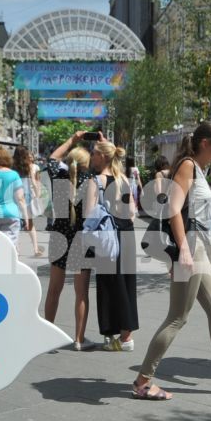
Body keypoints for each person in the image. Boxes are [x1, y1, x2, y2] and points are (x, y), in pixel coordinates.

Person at [132, 122, 211, 400]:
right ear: (205, 143)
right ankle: (143, 381)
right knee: (177, 317)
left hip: (199, 246)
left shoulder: (201, 169)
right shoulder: (187, 165)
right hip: (191, 247)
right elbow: (174, 209)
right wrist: (184, 249)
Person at [41, 146, 95, 349]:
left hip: (59, 234)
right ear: (85, 164)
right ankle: (79, 339)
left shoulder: (59, 176)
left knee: (54, 289)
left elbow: (52, 157)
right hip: (81, 237)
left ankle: (48, 334)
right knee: (81, 293)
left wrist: (73, 139)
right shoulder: (89, 179)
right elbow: (110, 156)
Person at [91, 142, 140, 352]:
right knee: (126, 283)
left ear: (102, 156)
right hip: (127, 233)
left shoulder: (97, 181)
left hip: (107, 236)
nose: (91, 156)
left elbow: (89, 214)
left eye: (93, 153)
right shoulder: (124, 180)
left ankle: (116, 336)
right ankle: (125, 335)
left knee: (109, 284)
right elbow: (132, 212)